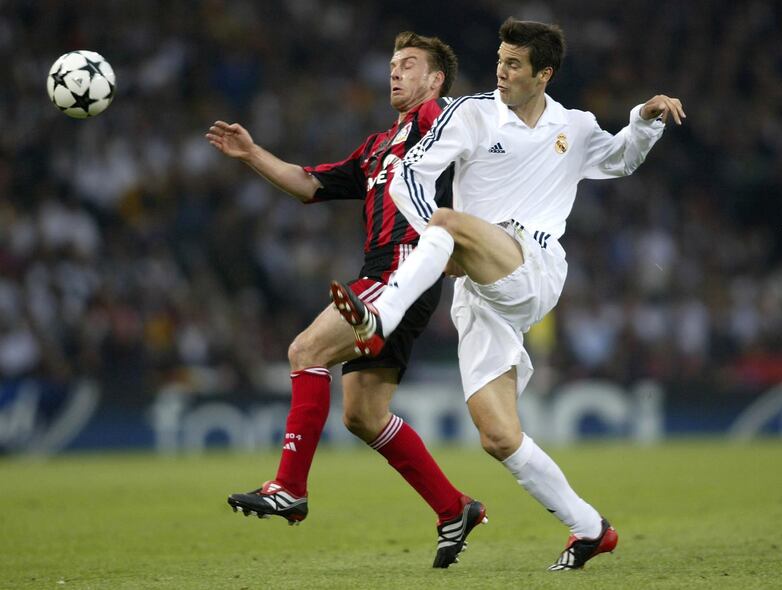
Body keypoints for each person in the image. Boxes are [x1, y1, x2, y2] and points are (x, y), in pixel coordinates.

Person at [330, 17, 686, 571]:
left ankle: (382, 314)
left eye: (514, 63)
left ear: (543, 74)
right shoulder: (470, 113)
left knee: (449, 222)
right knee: (498, 436)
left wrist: (644, 119)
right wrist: (440, 240)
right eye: (499, 59)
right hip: (480, 292)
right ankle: (590, 528)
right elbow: (407, 178)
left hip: (535, 263)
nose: (501, 70)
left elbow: (620, 159)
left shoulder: (573, 125)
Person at [206, 31, 486, 568]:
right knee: (362, 414)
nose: (395, 73)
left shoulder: (441, 124)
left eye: (408, 64)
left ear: (436, 80)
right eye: (392, 65)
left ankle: (290, 488)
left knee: (304, 351)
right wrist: (251, 154)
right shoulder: (378, 145)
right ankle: (454, 509)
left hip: (407, 266)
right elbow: (310, 185)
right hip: (382, 272)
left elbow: (473, 123)